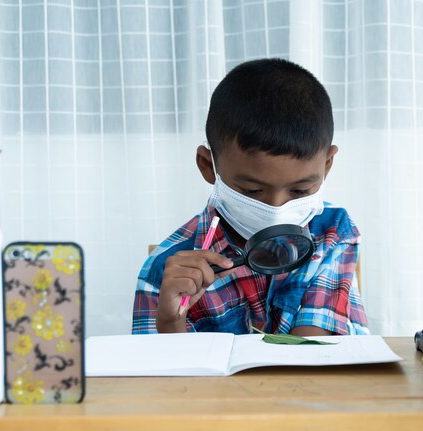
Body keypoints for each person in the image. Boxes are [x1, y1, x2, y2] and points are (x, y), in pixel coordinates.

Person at [132, 58, 368, 336]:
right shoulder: (166, 269)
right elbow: (165, 378)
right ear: (208, 166)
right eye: (253, 191)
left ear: (326, 165)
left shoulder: (332, 233)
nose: (276, 209)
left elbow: (312, 354)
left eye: (300, 191)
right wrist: (171, 323)